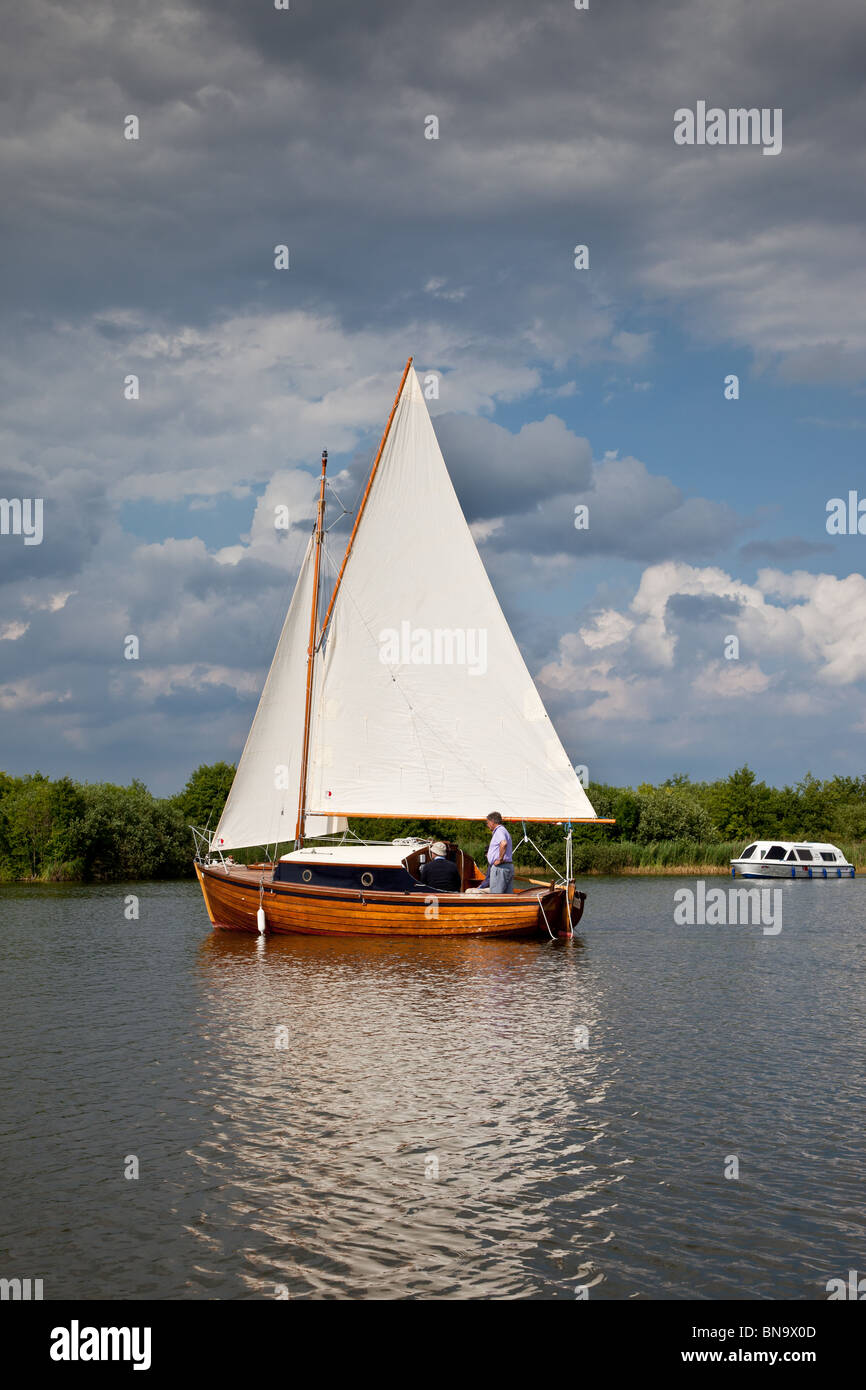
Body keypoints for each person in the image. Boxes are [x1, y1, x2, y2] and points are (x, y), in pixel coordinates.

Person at [485, 812, 513, 893]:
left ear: (492, 821)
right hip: (506, 866)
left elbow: (503, 843)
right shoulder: (504, 830)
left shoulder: (499, 831)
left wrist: (500, 859)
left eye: (488, 822)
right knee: (507, 896)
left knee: (496, 896)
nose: (487, 825)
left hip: (500, 868)